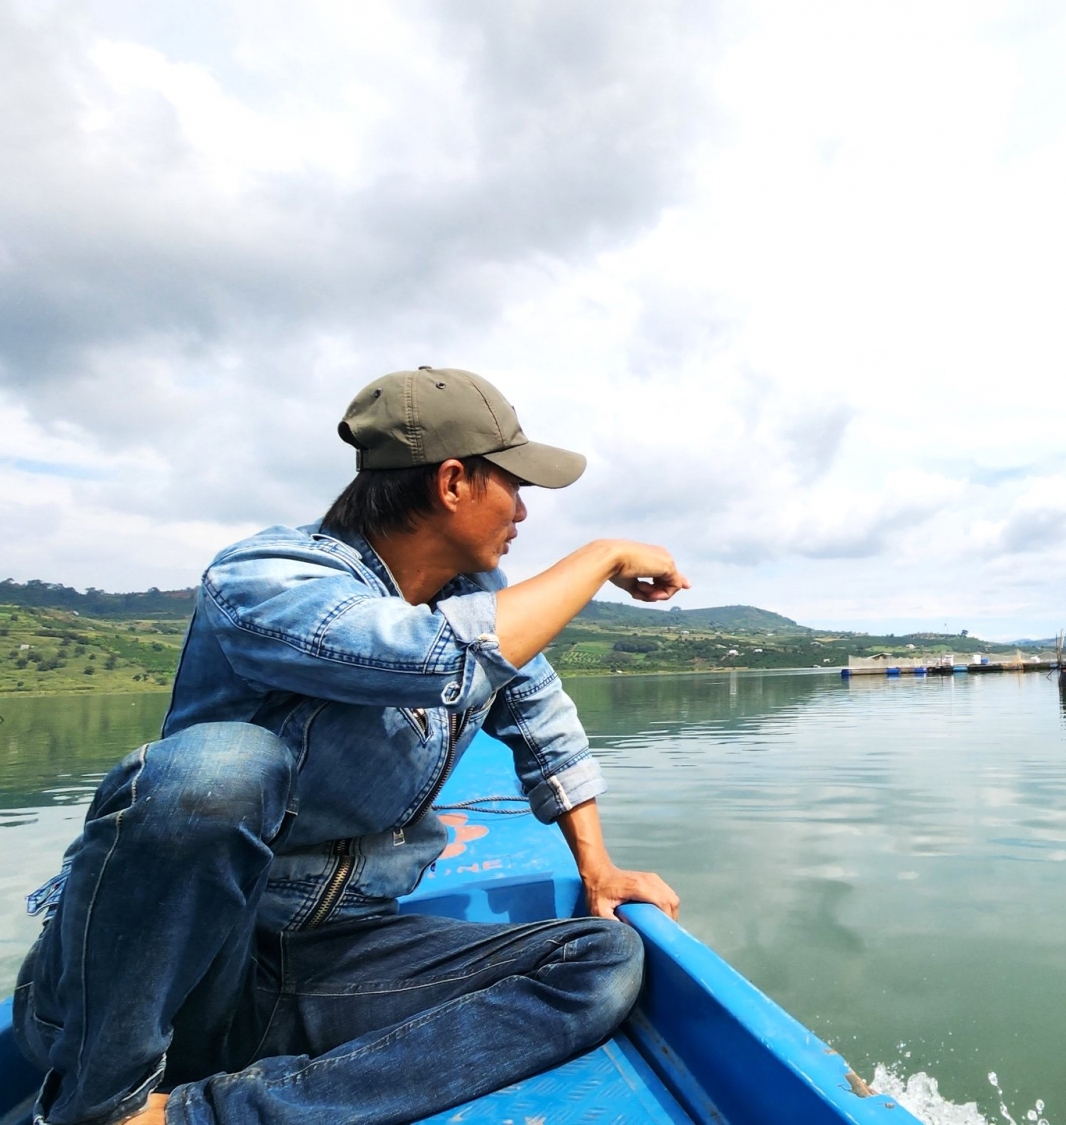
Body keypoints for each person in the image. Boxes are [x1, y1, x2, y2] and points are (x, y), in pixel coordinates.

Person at [13, 367, 690, 1125]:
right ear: (454, 482)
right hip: (168, 979)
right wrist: (598, 557)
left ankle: (203, 1116)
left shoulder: (473, 597)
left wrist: (599, 870)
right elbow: (438, 658)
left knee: (599, 961)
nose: (525, 510)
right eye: (515, 485)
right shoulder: (267, 576)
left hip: (323, 956)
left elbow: (543, 727)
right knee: (221, 768)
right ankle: (99, 1104)